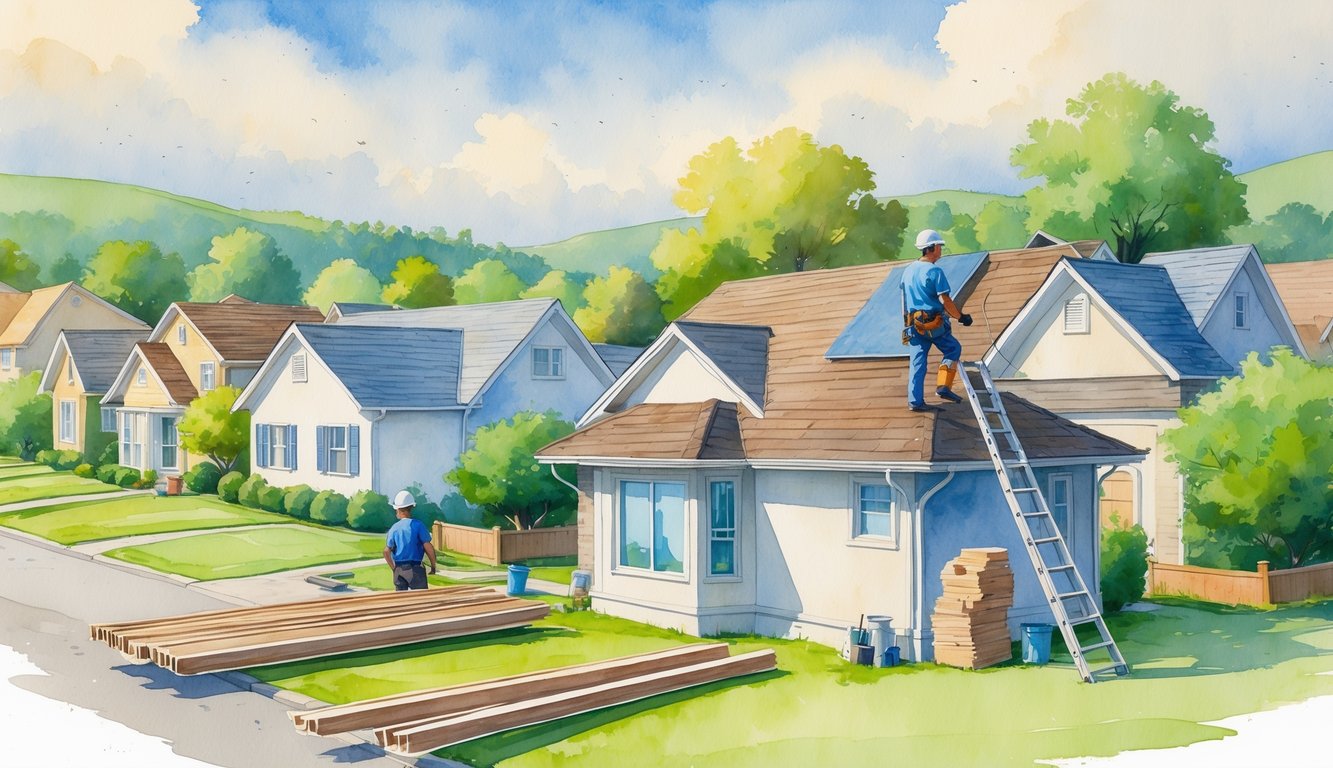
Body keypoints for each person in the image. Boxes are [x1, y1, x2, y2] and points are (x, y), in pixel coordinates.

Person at [902, 229, 972, 412]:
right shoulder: (934, 271)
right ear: (931, 248)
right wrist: (960, 317)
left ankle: (915, 401)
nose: (941, 250)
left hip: (914, 324)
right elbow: (945, 300)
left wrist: (907, 324)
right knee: (952, 348)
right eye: (939, 246)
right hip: (934, 324)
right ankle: (943, 387)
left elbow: (904, 299)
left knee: (917, 363)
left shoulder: (908, 270)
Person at [383, 490, 438, 590]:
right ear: (411, 508)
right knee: (420, 601)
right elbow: (428, 547)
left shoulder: (394, 528)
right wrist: (433, 566)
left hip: (399, 569)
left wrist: (394, 568)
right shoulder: (418, 525)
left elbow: (386, 551)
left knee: (401, 602)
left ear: (398, 510)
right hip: (415, 569)